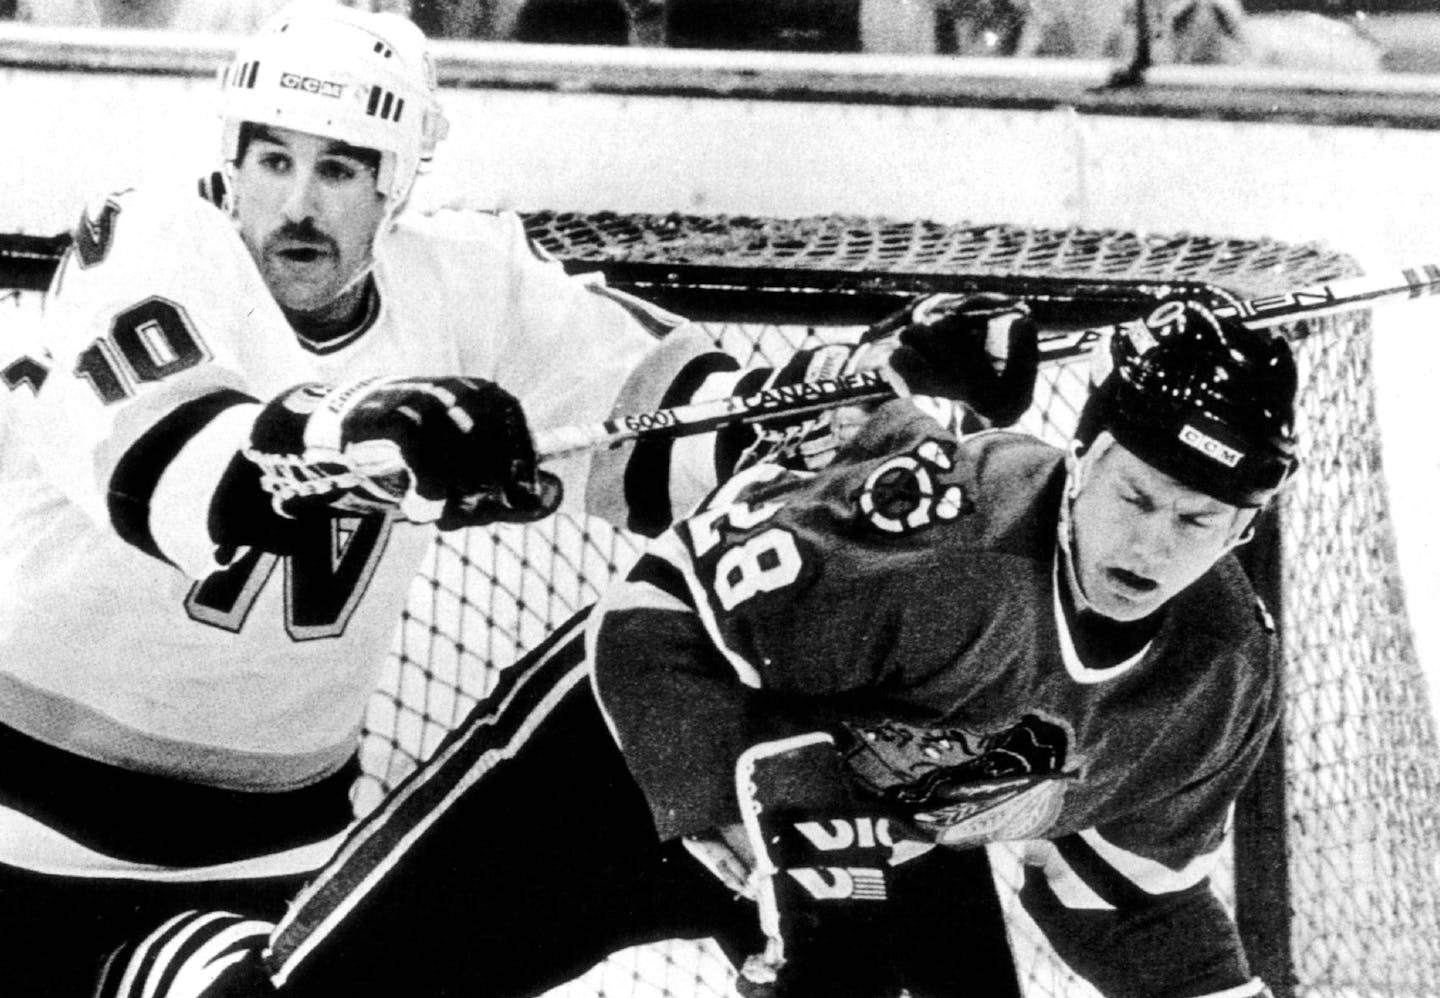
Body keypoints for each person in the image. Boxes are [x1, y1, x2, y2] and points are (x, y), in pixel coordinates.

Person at [0, 4, 1038, 994]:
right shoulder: (150, 244)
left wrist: (868, 387)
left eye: (339, 169)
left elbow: (684, 430)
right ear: (231, 162)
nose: (297, 204)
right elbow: (166, 464)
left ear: (396, 185)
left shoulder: (466, 284)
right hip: (23, 831)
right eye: (271, 160)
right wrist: (359, 427)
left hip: (268, 853)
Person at [94, 296, 1295, 998]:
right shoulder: (942, 534)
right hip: (610, 765)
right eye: (1137, 495)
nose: (1156, 542)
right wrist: (738, 828)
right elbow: (656, 618)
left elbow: (1128, 898)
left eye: (1202, 520)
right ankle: (186, 960)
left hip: (868, 821)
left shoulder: (1222, 667)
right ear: (1082, 454)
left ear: (1245, 524)